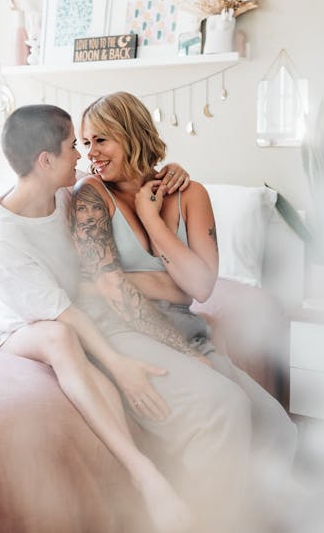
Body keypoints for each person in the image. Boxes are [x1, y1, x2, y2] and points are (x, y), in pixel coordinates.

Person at [71, 91, 299, 531]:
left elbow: (197, 287)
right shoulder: (89, 196)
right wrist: (164, 304)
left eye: (102, 140)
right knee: (225, 408)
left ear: (131, 133)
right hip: (124, 331)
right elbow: (108, 289)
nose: (91, 154)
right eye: (85, 143)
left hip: (186, 329)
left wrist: (152, 219)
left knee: (279, 430)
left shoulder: (189, 192)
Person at [0, 104, 194, 533]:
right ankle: (146, 476)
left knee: (101, 385)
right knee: (61, 339)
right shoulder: (2, 238)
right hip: (20, 326)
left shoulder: (64, 194)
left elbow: (124, 178)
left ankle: (139, 491)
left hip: (66, 312)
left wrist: (171, 172)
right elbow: (64, 314)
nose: (81, 155)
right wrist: (120, 364)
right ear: (45, 161)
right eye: (72, 146)